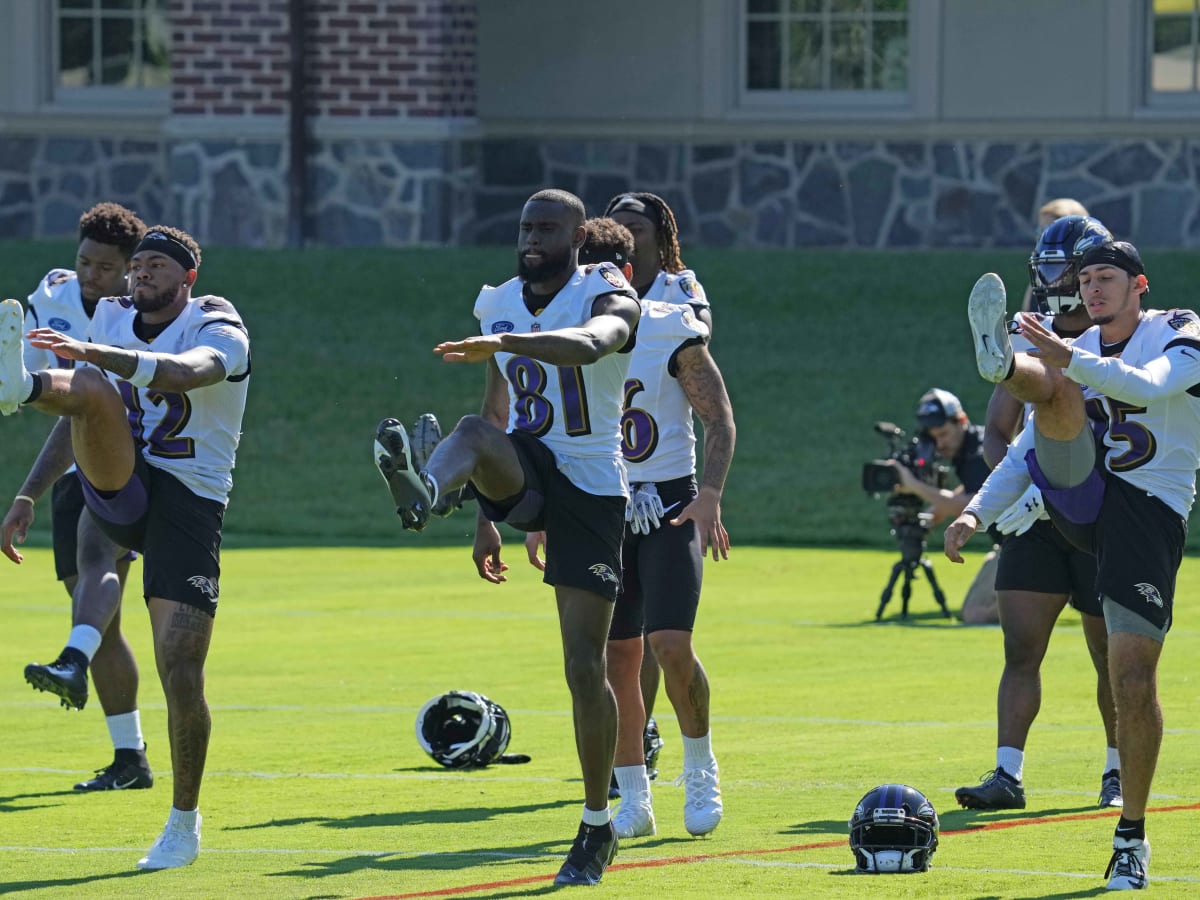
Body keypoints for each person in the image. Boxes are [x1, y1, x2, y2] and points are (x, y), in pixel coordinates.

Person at [373, 189, 641, 887]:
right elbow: (495, 410)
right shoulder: (496, 299)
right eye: (526, 226)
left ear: (579, 235)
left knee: (585, 665)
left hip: (590, 487)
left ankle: (595, 824)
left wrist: (505, 342)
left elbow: (592, 345)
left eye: (548, 227)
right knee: (467, 431)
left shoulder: (603, 288)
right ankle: (432, 490)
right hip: (524, 465)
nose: (532, 238)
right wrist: (485, 516)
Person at [0, 225, 252, 871]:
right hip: (122, 484)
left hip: (189, 502)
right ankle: (21, 388)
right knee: (86, 392)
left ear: (187, 277)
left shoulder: (216, 320)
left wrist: (91, 352)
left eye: (157, 266)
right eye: (136, 265)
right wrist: (28, 494)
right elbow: (84, 411)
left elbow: (182, 373)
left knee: (181, 667)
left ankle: (183, 823)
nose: (141, 274)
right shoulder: (111, 319)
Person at [950, 240, 1198, 891]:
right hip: (1082, 493)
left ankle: (1131, 836)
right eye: (1085, 279)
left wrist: (1070, 356)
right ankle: (1003, 365)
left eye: (1106, 277)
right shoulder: (1079, 346)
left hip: (1147, 513)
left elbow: (1148, 387)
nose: (1092, 289)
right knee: (1053, 391)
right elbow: (1024, 444)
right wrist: (975, 512)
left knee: (1132, 677)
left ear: (1139, 284)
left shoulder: (1177, 328)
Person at [576, 217, 736, 840]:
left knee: (670, 645)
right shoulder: (569, 332)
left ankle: (700, 767)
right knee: (616, 660)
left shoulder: (669, 324)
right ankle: (635, 794)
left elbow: (718, 417)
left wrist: (711, 495)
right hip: (598, 501)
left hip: (669, 498)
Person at [957, 215, 1121, 813]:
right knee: (1020, 650)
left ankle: (1118, 770)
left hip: (1104, 516)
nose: (1054, 279)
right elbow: (997, 432)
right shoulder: (1030, 331)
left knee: (1112, 656)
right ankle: (1007, 773)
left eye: (1065, 268)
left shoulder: (1122, 335)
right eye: (1048, 267)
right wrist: (1017, 490)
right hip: (1037, 519)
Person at [2, 202, 156, 793]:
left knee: (99, 562)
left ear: (130, 270)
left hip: (131, 458)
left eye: (106, 268)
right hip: (76, 460)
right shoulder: (55, 295)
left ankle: (71, 658)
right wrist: (29, 493)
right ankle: (129, 758)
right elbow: (64, 414)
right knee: (102, 621)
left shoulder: (139, 317)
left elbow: (96, 407)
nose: (92, 275)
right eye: (84, 262)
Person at [603, 191, 711, 760]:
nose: (626, 233)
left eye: (636, 225)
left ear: (659, 234)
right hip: (604, 483)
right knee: (622, 645)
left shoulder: (678, 290)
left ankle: (693, 755)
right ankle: (637, 737)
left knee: (662, 637)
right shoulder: (587, 293)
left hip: (665, 479)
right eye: (616, 224)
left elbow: (699, 343)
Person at [888, 388, 996, 622]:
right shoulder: (967, 448)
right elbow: (969, 490)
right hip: (1006, 545)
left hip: (1028, 541)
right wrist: (933, 514)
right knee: (971, 610)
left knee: (976, 614)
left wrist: (914, 485)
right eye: (933, 437)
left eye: (944, 434)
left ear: (962, 421)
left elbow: (974, 503)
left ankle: (1059, 587)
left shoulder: (981, 450)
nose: (939, 443)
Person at [1020, 199, 1091, 313]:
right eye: (1040, 230)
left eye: (1049, 230)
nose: (1044, 236)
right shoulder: (1041, 271)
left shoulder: (1089, 277)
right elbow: (1028, 312)